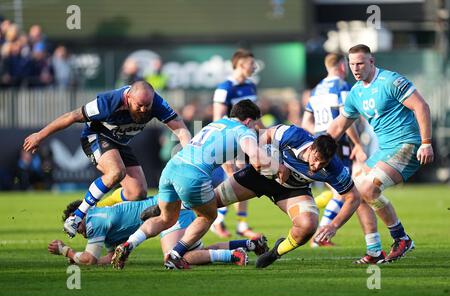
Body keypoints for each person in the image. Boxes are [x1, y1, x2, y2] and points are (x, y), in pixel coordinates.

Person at [111, 99, 288, 269]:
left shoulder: (216, 124)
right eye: (255, 124)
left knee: (165, 218)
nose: (256, 128)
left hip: (172, 168)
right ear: (249, 120)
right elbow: (256, 156)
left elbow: (222, 152)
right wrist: (277, 166)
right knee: (207, 216)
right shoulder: (244, 130)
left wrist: (231, 173)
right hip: (193, 175)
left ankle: (129, 244)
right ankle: (175, 256)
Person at [23, 81, 191, 238]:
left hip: (120, 143)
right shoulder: (108, 102)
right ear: (128, 98)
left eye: (147, 106)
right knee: (115, 172)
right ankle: (77, 216)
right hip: (95, 137)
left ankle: (97, 210)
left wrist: (190, 155)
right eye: (139, 106)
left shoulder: (157, 104)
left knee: (137, 193)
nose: (143, 110)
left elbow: (181, 129)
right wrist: (40, 135)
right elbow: (72, 116)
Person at [327, 44, 434, 263]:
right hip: (384, 150)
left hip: (407, 144)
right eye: (352, 64)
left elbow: (421, 107)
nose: (355, 68)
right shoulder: (356, 92)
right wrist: (314, 147)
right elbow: (339, 126)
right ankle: (374, 250)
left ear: (371, 61)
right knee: (356, 193)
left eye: (360, 63)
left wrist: (426, 142)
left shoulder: (391, 81)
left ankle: (401, 238)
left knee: (367, 188)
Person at [211, 125, 361, 268]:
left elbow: (353, 197)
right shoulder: (294, 135)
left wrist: (334, 225)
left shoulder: (334, 167)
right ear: (311, 148)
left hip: (292, 190)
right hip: (260, 177)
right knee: (210, 202)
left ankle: (276, 252)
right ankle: (190, 244)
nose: (316, 167)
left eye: (322, 164)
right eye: (315, 160)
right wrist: (270, 162)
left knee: (308, 226)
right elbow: (268, 133)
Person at [48, 196, 269, 267]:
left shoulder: (95, 221)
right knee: (196, 250)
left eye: (77, 227)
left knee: (173, 256)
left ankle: (233, 256)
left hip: (168, 213)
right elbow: (106, 257)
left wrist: (65, 250)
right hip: (173, 207)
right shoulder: (100, 220)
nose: (81, 233)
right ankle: (249, 244)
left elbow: (89, 259)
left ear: (81, 216)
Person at [302, 52, 366, 247]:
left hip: (321, 143)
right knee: (343, 192)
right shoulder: (342, 86)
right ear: (341, 66)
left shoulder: (316, 90)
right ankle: (319, 236)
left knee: (339, 191)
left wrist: (321, 135)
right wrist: (357, 144)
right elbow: (346, 118)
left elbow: (305, 122)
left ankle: (319, 233)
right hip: (338, 144)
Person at [211, 48, 261, 239]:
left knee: (244, 179)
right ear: (240, 64)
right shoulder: (225, 88)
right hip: (230, 141)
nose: (254, 66)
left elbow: (256, 117)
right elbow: (218, 119)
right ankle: (220, 220)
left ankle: (239, 224)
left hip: (248, 141)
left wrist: (267, 134)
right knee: (237, 179)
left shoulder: (251, 86)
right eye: (251, 63)